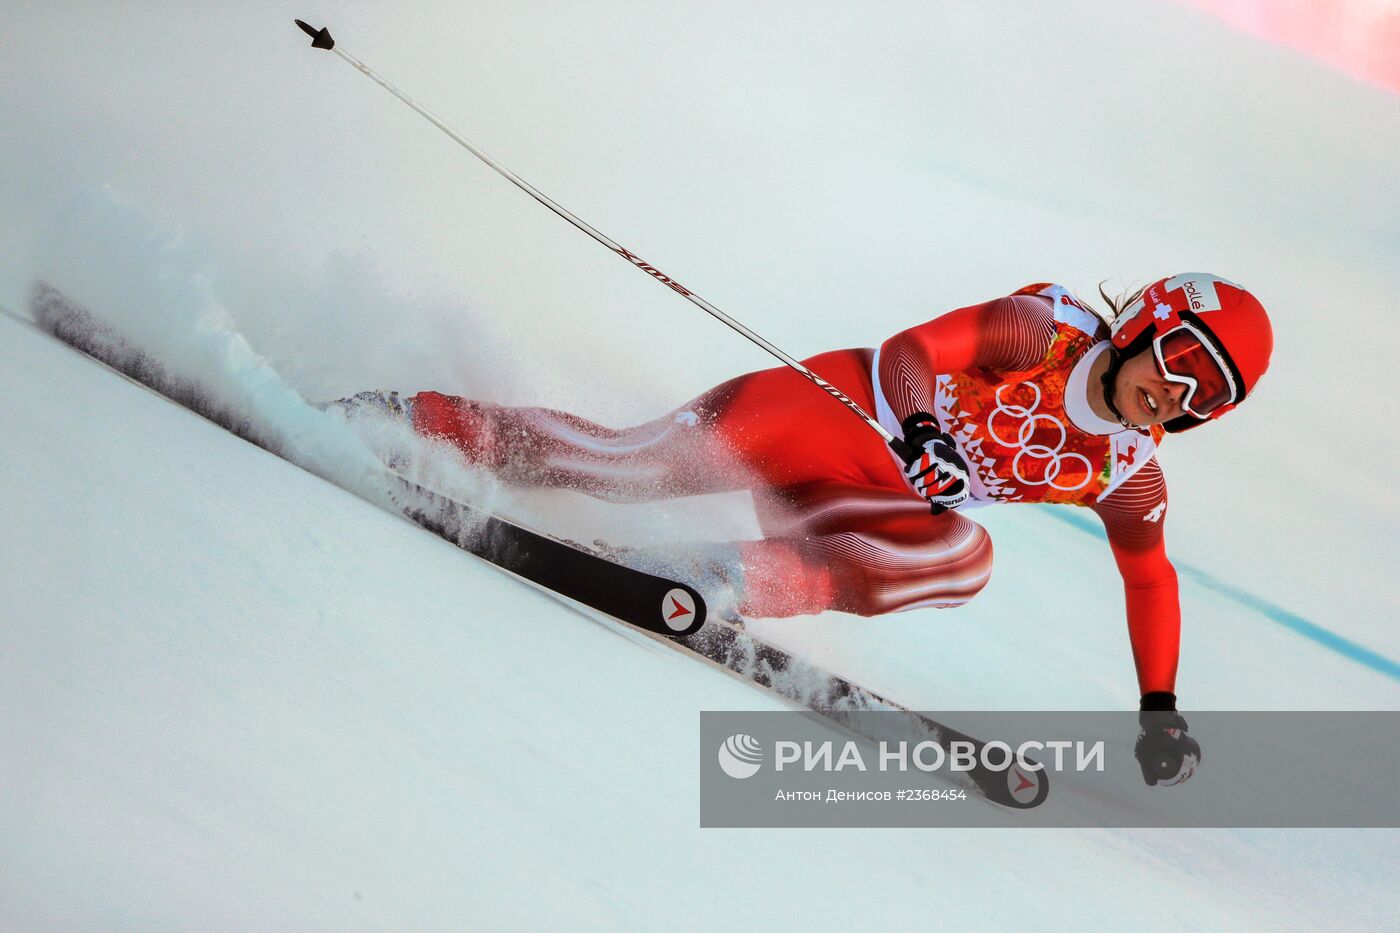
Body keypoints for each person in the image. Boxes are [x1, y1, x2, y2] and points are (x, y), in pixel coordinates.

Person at [345, 273, 1272, 786]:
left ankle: (714, 573)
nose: (1178, 393)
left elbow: (1150, 578)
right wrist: (914, 427)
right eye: (1184, 360)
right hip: (822, 413)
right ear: (1152, 318)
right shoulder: (1045, 331)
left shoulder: (1126, 472)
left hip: (847, 502)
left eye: (1209, 394)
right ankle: (401, 413)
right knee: (626, 467)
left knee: (964, 553)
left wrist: (1160, 711)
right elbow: (913, 352)